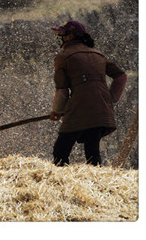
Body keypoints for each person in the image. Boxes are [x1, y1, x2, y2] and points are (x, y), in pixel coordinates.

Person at [50, 20, 127, 166]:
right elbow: (122, 77)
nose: (59, 37)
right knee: (92, 152)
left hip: (80, 108)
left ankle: (61, 184)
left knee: (60, 150)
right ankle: (98, 184)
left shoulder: (63, 57)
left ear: (70, 37)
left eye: (61, 34)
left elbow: (62, 90)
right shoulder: (98, 54)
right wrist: (109, 99)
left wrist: (57, 111)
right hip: (101, 111)